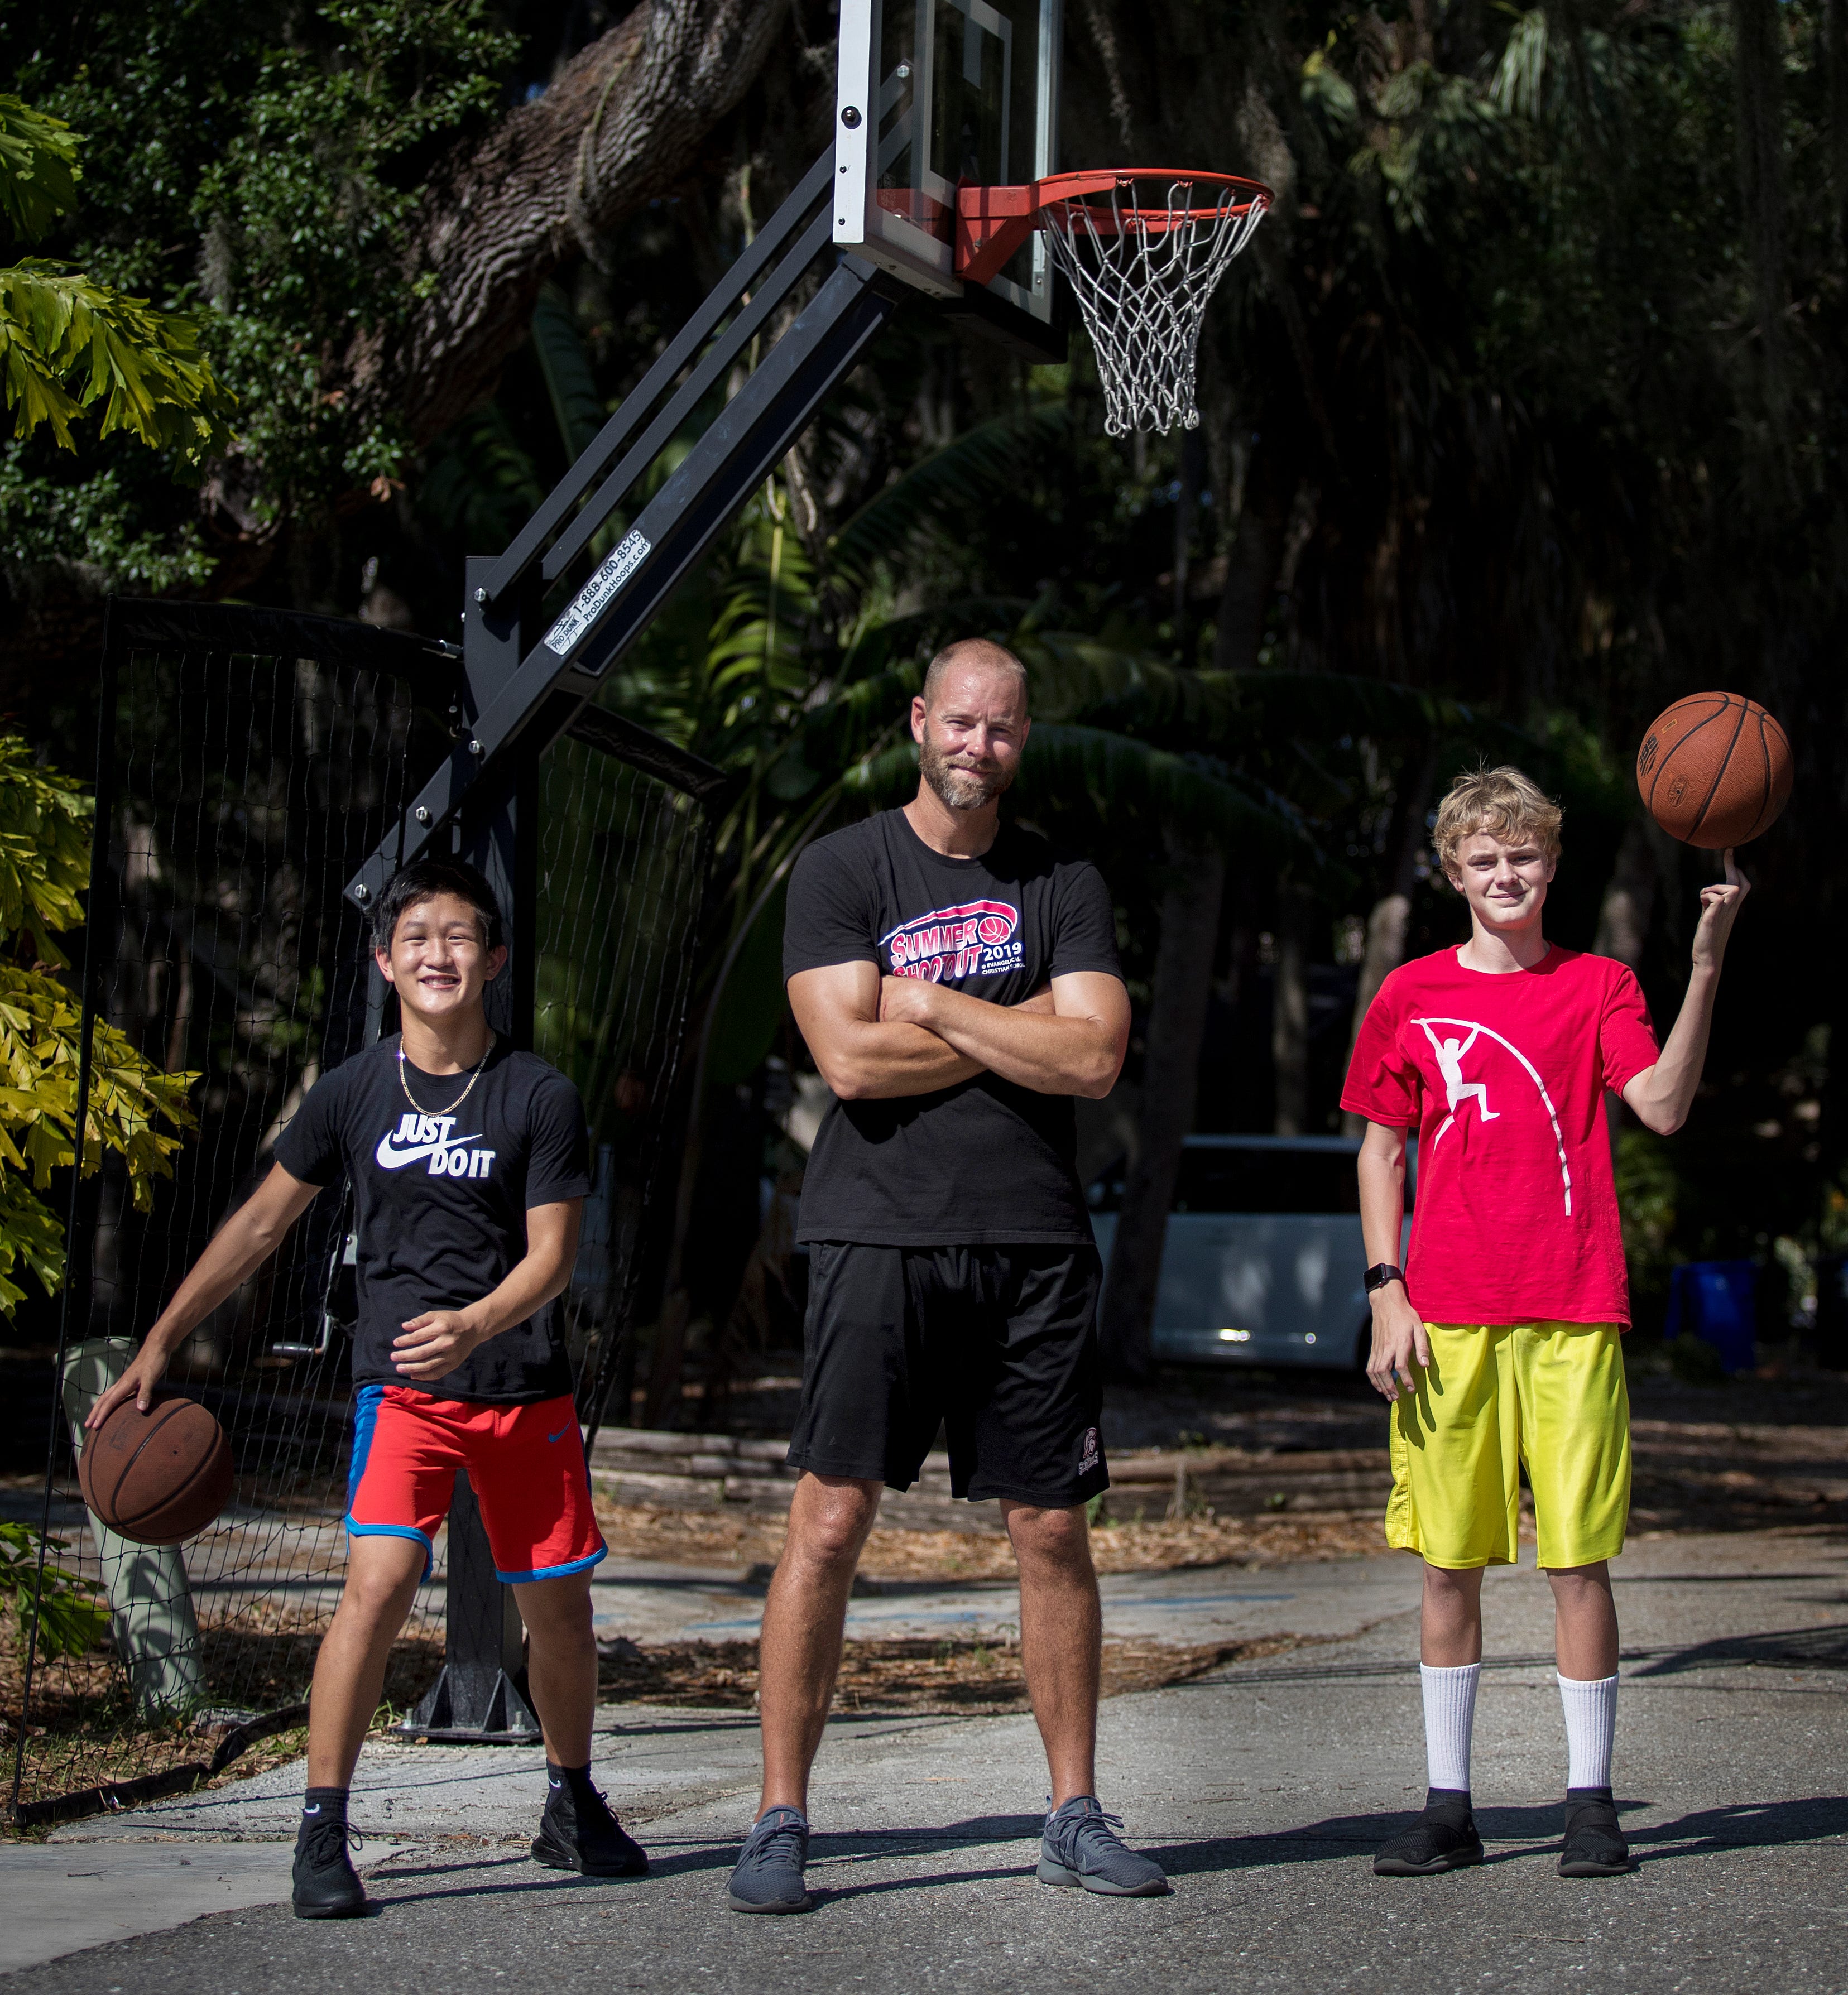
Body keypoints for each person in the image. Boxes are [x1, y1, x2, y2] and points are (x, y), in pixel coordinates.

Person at [87, 858, 645, 1919]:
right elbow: (260, 1223)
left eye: (462, 936)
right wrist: (162, 1338)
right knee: (377, 1588)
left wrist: (478, 1321)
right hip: (404, 1396)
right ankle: (322, 1826)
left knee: (560, 1616)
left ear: (494, 961)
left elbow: (554, 1258)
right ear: (386, 960)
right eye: (418, 937)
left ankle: (571, 1802)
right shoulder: (351, 1090)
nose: (440, 954)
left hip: (523, 1391)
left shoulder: (539, 1094)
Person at [726, 637, 1167, 1914]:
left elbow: (1094, 1064)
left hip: (1033, 1243)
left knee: (1050, 1527)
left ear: (1026, 739)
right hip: (876, 1235)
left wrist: (934, 1007)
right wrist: (1020, 1027)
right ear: (921, 720)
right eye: (963, 722)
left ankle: (1074, 1809)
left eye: (1005, 728)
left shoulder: (1064, 878)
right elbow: (849, 1066)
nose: (981, 746)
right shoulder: (844, 866)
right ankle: (779, 1815)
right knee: (828, 1520)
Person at [1343, 765, 1749, 1879]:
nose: (1506, 873)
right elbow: (1380, 1144)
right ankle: (1448, 1805)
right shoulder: (1410, 996)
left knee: (1579, 1561)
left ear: (1552, 862)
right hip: (1446, 1316)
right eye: (1484, 858)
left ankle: (1589, 1803)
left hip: (1573, 1306)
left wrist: (1706, 964)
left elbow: (1660, 1102)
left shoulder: (1600, 985)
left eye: (1523, 854)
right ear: (1453, 872)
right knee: (1446, 1562)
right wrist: (1386, 1288)